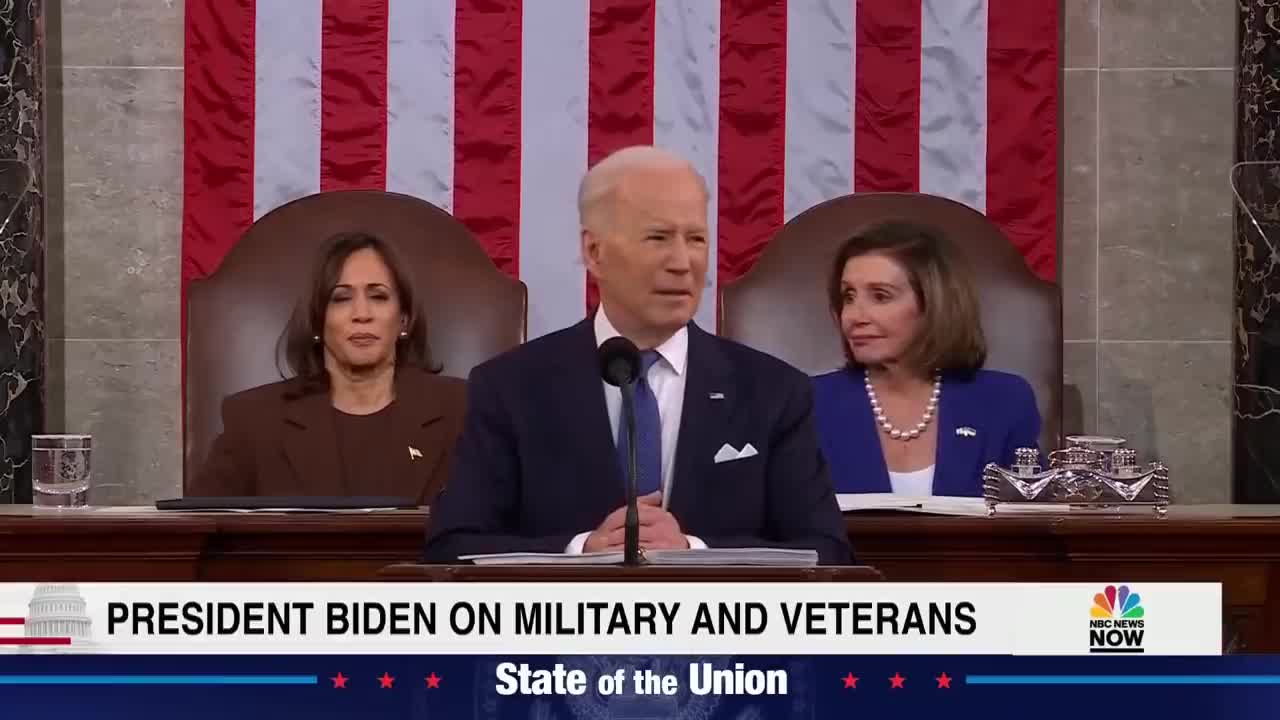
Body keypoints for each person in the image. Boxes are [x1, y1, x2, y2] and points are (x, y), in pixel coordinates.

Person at [423, 146, 850, 564]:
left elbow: (827, 553)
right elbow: (453, 547)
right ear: (595, 252)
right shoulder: (510, 387)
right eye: (658, 238)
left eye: (696, 239)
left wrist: (694, 552)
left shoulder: (773, 391)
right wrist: (581, 551)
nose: (683, 263)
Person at [189, 231, 467, 503]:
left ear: (404, 320)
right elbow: (198, 532)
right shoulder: (255, 421)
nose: (362, 314)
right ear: (317, 319)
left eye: (378, 296)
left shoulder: (463, 411)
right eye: (341, 298)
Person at [812, 221, 1041, 497]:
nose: (854, 316)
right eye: (848, 296)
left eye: (880, 296)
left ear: (935, 304)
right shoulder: (808, 403)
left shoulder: (1005, 401)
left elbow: (1033, 521)